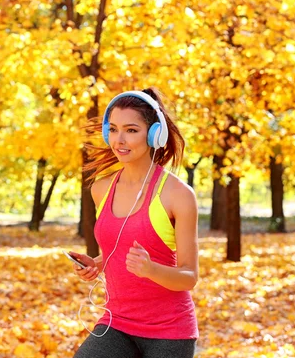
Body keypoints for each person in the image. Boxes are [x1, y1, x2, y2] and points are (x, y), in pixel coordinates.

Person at [69, 88, 199, 358]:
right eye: (114, 130)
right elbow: (120, 248)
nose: (120, 140)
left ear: (154, 135)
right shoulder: (101, 189)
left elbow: (189, 277)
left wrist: (151, 269)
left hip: (169, 331)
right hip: (117, 323)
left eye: (131, 130)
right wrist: (97, 263)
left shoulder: (178, 195)